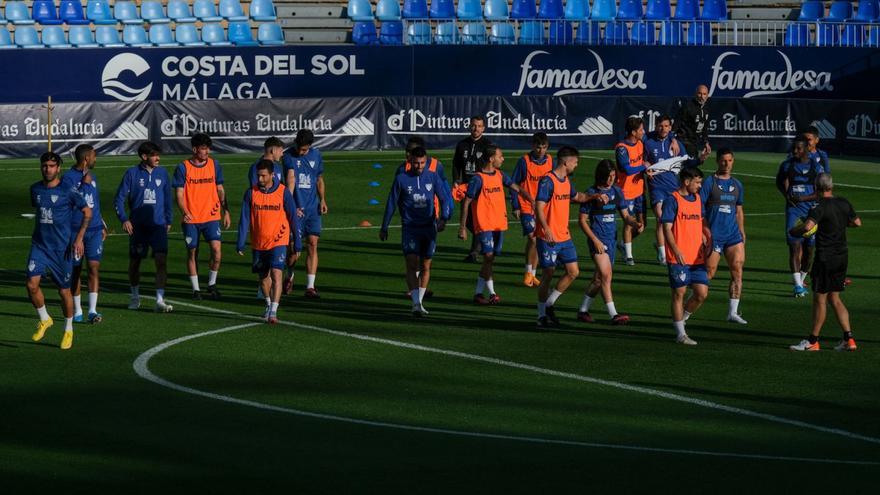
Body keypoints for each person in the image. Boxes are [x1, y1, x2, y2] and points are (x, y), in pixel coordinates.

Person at [534, 146, 608, 329]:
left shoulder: (565, 181)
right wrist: (546, 229)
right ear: (566, 162)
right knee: (548, 274)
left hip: (564, 236)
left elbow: (578, 197)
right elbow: (538, 206)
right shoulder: (547, 181)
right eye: (575, 162)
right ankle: (541, 315)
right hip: (548, 237)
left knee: (573, 272)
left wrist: (594, 196)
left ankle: (550, 304)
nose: (576, 165)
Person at [789, 174, 861, 352]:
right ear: (831, 186)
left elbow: (807, 227)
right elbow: (857, 223)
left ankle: (813, 341)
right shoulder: (844, 202)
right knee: (835, 297)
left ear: (816, 188)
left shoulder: (818, 206)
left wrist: (795, 231)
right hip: (841, 257)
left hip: (825, 258)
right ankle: (849, 339)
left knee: (819, 299)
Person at [28, 151, 92, 350]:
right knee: (31, 284)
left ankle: (68, 329)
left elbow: (87, 212)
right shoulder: (35, 189)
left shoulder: (68, 190)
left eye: (51, 166)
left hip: (61, 249)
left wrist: (79, 238)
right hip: (39, 245)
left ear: (58, 168)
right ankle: (45, 319)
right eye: (45, 165)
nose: (48, 169)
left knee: (64, 291)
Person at [380, 147, 452, 317]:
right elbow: (391, 203)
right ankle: (415, 304)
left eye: (422, 163)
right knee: (412, 262)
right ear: (410, 161)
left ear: (426, 161)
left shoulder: (433, 177)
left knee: (426, 265)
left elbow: (445, 198)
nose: (419, 166)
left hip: (429, 228)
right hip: (410, 228)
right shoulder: (401, 179)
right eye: (416, 163)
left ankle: (419, 302)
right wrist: (384, 226)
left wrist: (444, 218)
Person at [458, 144, 533, 305]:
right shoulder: (478, 179)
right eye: (501, 156)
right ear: (491, 158)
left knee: (489, 260)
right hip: (484, 225)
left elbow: (517, 188)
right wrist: (462, 227)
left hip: (499, 224)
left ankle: (478, 293)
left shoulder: (500, 175)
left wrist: (532, 200)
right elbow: (466, 202)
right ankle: (492, 293)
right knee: (488, 257)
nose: (503, 159)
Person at [577, 159, 643, 325]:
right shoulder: (591, 193)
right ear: (600, 175)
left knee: (599, 280)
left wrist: (635, 223)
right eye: (608, 176)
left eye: (613, 175)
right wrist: (595, 240)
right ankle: (613, 314)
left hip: (611, 241)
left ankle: (583, 311)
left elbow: (626, 216)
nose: (611, 179)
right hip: (598, 241)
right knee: (606, 275)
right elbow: (582, 220)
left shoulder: (617, 192)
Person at [237, 160, 301, 324]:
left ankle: (273, 310)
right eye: (258, 175)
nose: (260, 179)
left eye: (263, 176)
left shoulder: (283, 192)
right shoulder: (251, 193)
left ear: (272, 175)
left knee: (276, 273)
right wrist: (241, 241)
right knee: (263, 278)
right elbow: (244, 218)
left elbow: (293, 217)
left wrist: (297, 241)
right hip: (258, 242)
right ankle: (268, 303)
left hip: (279, 240)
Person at [114, 141, 174, 313]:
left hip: (158, 226)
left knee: (161, 261)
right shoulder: (132, 174)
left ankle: (160, 300)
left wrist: (168, 220)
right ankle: (134, 296)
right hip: (138, 228)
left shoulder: (162, 173)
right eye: (154, 155)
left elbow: (168, 198)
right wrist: (124, 219)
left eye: (158, 154)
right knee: (135, 262)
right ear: (144, 156)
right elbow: (118, 199)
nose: (158, 158)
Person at [644, 114, 709, 265]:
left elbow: (687, 162)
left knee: (672, 222)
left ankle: (665, 246)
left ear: (670, 127)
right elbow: (643, 158)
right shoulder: (647, 141)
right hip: (656, 187)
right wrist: (645, 165)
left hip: (673, 189)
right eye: (661, 126)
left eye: (666, 126)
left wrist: (700, 159)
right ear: (656, 126)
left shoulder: (676, 144)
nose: (663, 129)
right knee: (661, 218)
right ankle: (662, 255)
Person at [173, 133, 231, 300]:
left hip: (211, 217)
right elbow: (179, 194)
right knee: (192, 253)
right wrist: (185, 212)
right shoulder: (183, 167)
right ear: (194, 149)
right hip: (192, 219)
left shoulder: (214, 165)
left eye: (208, 149)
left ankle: (211, 284)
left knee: (217, 251)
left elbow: (220, 189)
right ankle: (196, 289)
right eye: (203, 149)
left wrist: (225, 210)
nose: (207, 152)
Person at [661, 167, 712, 345]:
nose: (699, 186)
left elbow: (701, 220)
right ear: (686, 181)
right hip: (679, 257)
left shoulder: (698, 199)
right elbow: (666, 228)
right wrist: (676, 250)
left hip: (697, 257)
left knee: (701, 293)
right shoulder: (672, 200)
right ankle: (681, 334)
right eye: (697, 182)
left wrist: (706, 234)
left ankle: (681, 319)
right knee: (679, 293)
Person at [61, 144, 107, 324]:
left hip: (94, 229)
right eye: (94, 156)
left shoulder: (92, 177)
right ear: (86, 158)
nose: (96, 159)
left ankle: (93, 310)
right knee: (76, 269)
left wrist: (102, 222)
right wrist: (83, 185)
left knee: (94, 267)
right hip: (75, 230)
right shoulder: (68, 178)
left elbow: (93, 201)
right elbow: (68, 201)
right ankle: (78, 309)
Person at [701, 148, 747, 324]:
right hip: (714, 235)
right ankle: (691, 303)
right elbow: (700, 210)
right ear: (717, 161)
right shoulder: (709, 183)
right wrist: (705, 231)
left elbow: (739, 210)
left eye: (729, 160)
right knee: (709, 272)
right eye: (723, 161)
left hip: (733, 235)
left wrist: (742, 230)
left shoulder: (737, 185)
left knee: (737, 270)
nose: (726, 164)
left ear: (733, 161)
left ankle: (733, 312)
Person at [776, 136, 824, 298]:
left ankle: (802, 279)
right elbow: (779, 182)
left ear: (806, 149)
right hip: (794, 211)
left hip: (811, 212)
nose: (795, 151)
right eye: (793, 148)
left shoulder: (815, 167)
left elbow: (820, 191)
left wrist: (803, 198)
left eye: (798, 148)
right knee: (794, 246)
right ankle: (797, 285)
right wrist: (787, 196)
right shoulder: (787, 165)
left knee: (810, 250)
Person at [282, 129, 328, 298]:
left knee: (313, 243)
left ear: (310, 146)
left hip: (313, 208)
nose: (300, 152)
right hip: (296, 209)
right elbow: (290, 180)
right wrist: (290, 205)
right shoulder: (288, 156)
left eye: (304, 150)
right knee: (294, 250)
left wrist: (322, 200)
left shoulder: (317, 155)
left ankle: (310, 286)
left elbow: (319, 179)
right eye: (299, 148)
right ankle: (290, 275)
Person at [509, 132, 552, 287]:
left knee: (539, 240)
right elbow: (514, 184)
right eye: (538, 147)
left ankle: (533, 274)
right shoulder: (524, 161)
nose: (541, 150)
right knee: (533, 238)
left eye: (544, 147)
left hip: (543, 207)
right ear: (533, 146)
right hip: (526, 205)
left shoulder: (550, 161)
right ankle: (528, 272)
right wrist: (515, 206)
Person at [452, 115, 492, 263]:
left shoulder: (488, 145)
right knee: (468, 219)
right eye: (474, 125)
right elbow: (456, 164)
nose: (476, 128)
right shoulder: (462, 144)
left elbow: (491, 166)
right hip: (466, 187)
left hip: (482, 188)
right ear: (470, 126)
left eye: (479, 126)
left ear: (483, 128)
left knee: (479, 219)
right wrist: (456, 180)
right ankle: (482, 242)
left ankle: (474, 252)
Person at [614, 116, 647, 266]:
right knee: (629, 223)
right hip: (626, 193)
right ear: (633, 132)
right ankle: (628, 256)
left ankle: (622, 244)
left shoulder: (640, 143)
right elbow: (626, 169)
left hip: (639, 191)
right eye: (641, 130)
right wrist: (644, 167)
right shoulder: (622, 148)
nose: (643, 132)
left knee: (641, 227)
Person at [673, 84, 711, 157]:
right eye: (700, 93)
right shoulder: (687, 107)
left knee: (693, 161)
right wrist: (673, 139)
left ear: (707, 95)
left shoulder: (706, 109)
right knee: (689, 162)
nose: (702, 96)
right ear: (695, 94)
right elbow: (676, 124)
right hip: (684, 140)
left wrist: (706, 142)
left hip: (694, 141)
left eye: (704, 94)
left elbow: (704, 128)